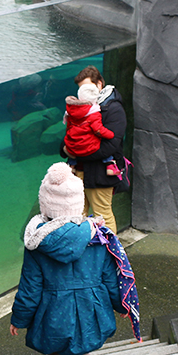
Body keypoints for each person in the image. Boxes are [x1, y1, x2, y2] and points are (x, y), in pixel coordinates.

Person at [9, 162, 128, 355]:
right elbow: (110, 277)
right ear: (78, 202)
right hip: (90, 307)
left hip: (53, 311)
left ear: (45, 204)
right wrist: (122, 304)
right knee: (82, 336)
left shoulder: (37, 243)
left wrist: (19, 319)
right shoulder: (98, 237)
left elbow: (30, 287)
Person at [61, 65, 127, 233]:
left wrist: (75, 152)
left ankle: (112, 256)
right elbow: (69, 137)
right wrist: (65, 149)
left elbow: (112, 145)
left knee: (102, 215)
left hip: (101, 173)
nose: (83, 92)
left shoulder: (113, 108)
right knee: (76, 215)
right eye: (80, 89)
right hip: (78, 172)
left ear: (99, 84)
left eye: (87, 87)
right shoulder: (80, 109)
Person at [63, 83, 120, 177]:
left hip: (72, 146)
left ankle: (71, 166)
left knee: (73, 146)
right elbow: (98, 130)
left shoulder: (71, 110)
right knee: (101, 141)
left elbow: (68, 128)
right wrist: (110, 134)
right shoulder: (93, 113)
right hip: (88, 148)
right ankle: (109, 165)